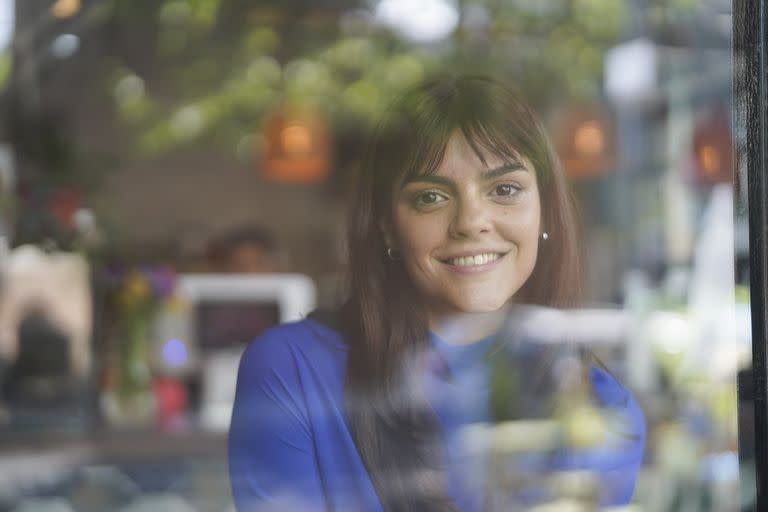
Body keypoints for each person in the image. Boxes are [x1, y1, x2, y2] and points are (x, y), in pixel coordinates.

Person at [228, 74, 645, 511]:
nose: (470, 221)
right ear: (387, 223)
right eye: (431, 196)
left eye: (504, 190)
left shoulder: (602, 405)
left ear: (545, 213)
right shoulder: (292, 369)